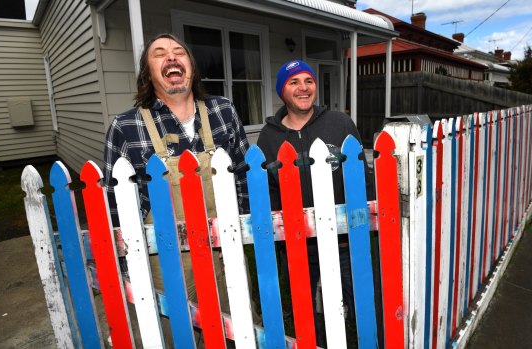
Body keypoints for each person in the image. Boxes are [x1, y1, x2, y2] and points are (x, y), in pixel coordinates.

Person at [103, 33, 252, 345]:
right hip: (164, 257)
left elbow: (242, 177)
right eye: (159, 54)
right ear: (148, 74)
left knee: (235, 328)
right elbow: (114, 207)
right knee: (174, 334)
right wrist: (126, 264)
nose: (170, 57)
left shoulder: (223, 111)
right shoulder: (126, 127)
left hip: (221, 247)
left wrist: (239, 233)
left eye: (178, 52)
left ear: (191, 68)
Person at [257, 59, 373, 346]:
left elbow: (363, 176)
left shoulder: (339, 123)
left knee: (360, 306)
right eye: (294, 82)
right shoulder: (268, 137)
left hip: (344, 241)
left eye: (308, 80)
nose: (303, 88)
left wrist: (367, 221)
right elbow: (269, 191)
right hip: (298, 245)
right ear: (281, 91)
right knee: (304, 312)